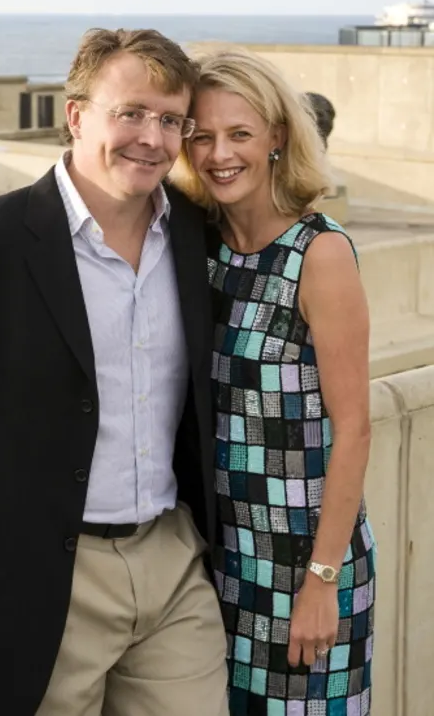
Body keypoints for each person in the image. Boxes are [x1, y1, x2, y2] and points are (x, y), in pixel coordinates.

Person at [0, 29, 229, 716]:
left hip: (173, 561)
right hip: (38, 579)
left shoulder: (194, 236)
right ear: (77, 114)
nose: (152, 137)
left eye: (171, 119)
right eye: (132, 112)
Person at [173, 49, 376, 716]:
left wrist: (322, 581)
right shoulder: (200, 246)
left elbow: (353, 428)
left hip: (305, 567)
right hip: (223, 563)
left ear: (277, 137)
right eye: (201, 135)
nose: (218, 154)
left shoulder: (318, 253)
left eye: (239, 134)